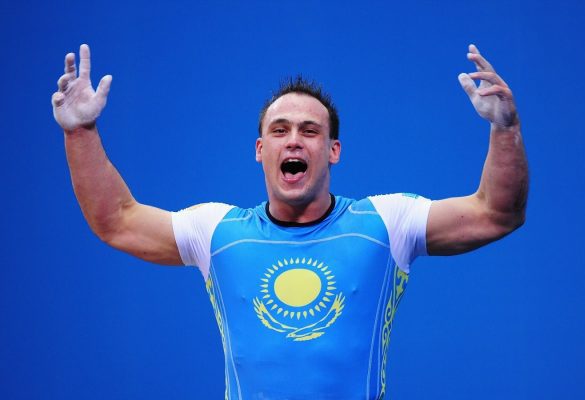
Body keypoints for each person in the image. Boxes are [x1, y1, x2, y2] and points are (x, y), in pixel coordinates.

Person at [52, 44, 528, 400]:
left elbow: (496, 213)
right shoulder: (216, 233)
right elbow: (116, 220)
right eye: (279, 131)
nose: (294, 140)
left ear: (333, 151)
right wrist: (80, 131)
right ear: (261, 150)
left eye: (310, 131)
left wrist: (504, 128)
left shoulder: (388, 223)